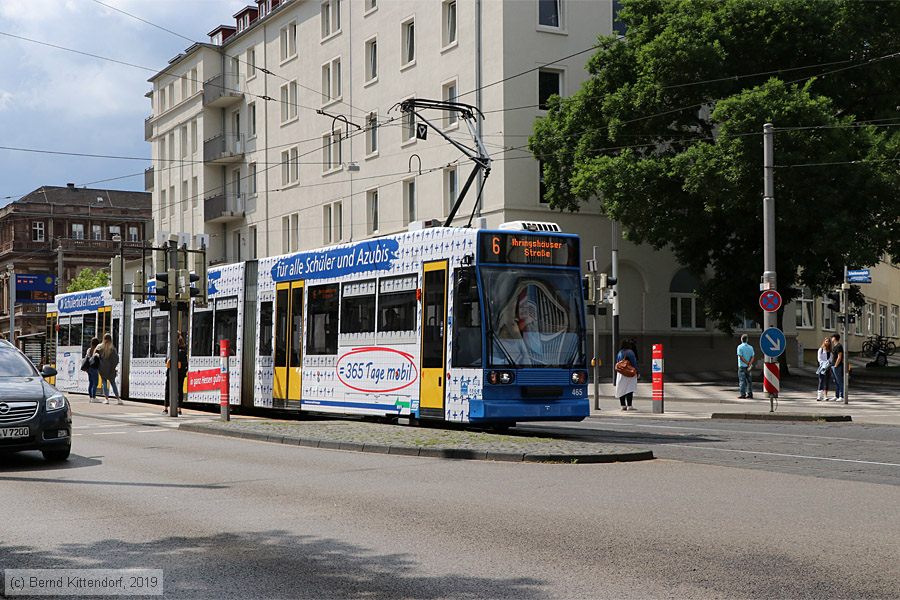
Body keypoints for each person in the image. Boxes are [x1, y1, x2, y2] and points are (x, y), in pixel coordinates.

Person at [95, 333, 122, 405]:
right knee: (113, 383)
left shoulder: (100, 347)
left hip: (102, 368)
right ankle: (118, 399)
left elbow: (95, 355)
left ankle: (106, 399)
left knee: (104, 383)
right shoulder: (112, 348)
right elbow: (116, 359)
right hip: (111, 369)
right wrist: (113, 367)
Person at [164, 333, 188, 414]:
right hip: (177, 372)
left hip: (175, 372)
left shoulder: (177, 349)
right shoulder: (181, 349)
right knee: (178, 389)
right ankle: (178, 408)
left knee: (170, 389)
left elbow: (167, 360)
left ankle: (167, 408)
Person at [615, 339, 639, 411]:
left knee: (621, 388)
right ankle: (629, 406)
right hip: (629, 372)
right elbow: (634, 363)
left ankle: (623, 405)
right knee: (629, 389)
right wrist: (637, 372)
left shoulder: (620, 352)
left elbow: (617, 361)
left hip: (621, 373)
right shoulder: (630, 352)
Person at [736, 334, 755, 399]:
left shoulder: (739, 347)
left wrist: (747, 363)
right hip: (749, 367)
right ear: (747, 339)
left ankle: (743, 394)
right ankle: (750, 394)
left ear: (741, 339)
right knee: (749, 381)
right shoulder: (751, 347)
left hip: (742, 366)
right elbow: (753, 357)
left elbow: (740, 357)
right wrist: (749, 363)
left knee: (742, 381)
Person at [85, 337, 100, 403]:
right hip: (94, 368)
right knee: (95, 383)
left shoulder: (89, 350)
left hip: (88, 368)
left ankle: (91, 397)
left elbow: (87, 358)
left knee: (91, 382)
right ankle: (94, 397)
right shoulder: (97, 350)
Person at [831, 333, 844, 402]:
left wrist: (836, 365)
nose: (831, 339)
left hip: (837, 366)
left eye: (832, 337)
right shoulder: (835, 346)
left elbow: (840, 356)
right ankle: (836, 395)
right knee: (835, 381)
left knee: (839, 381)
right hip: (833, 365)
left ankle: (841, 396)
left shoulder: (839, 346)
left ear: (835, 338)